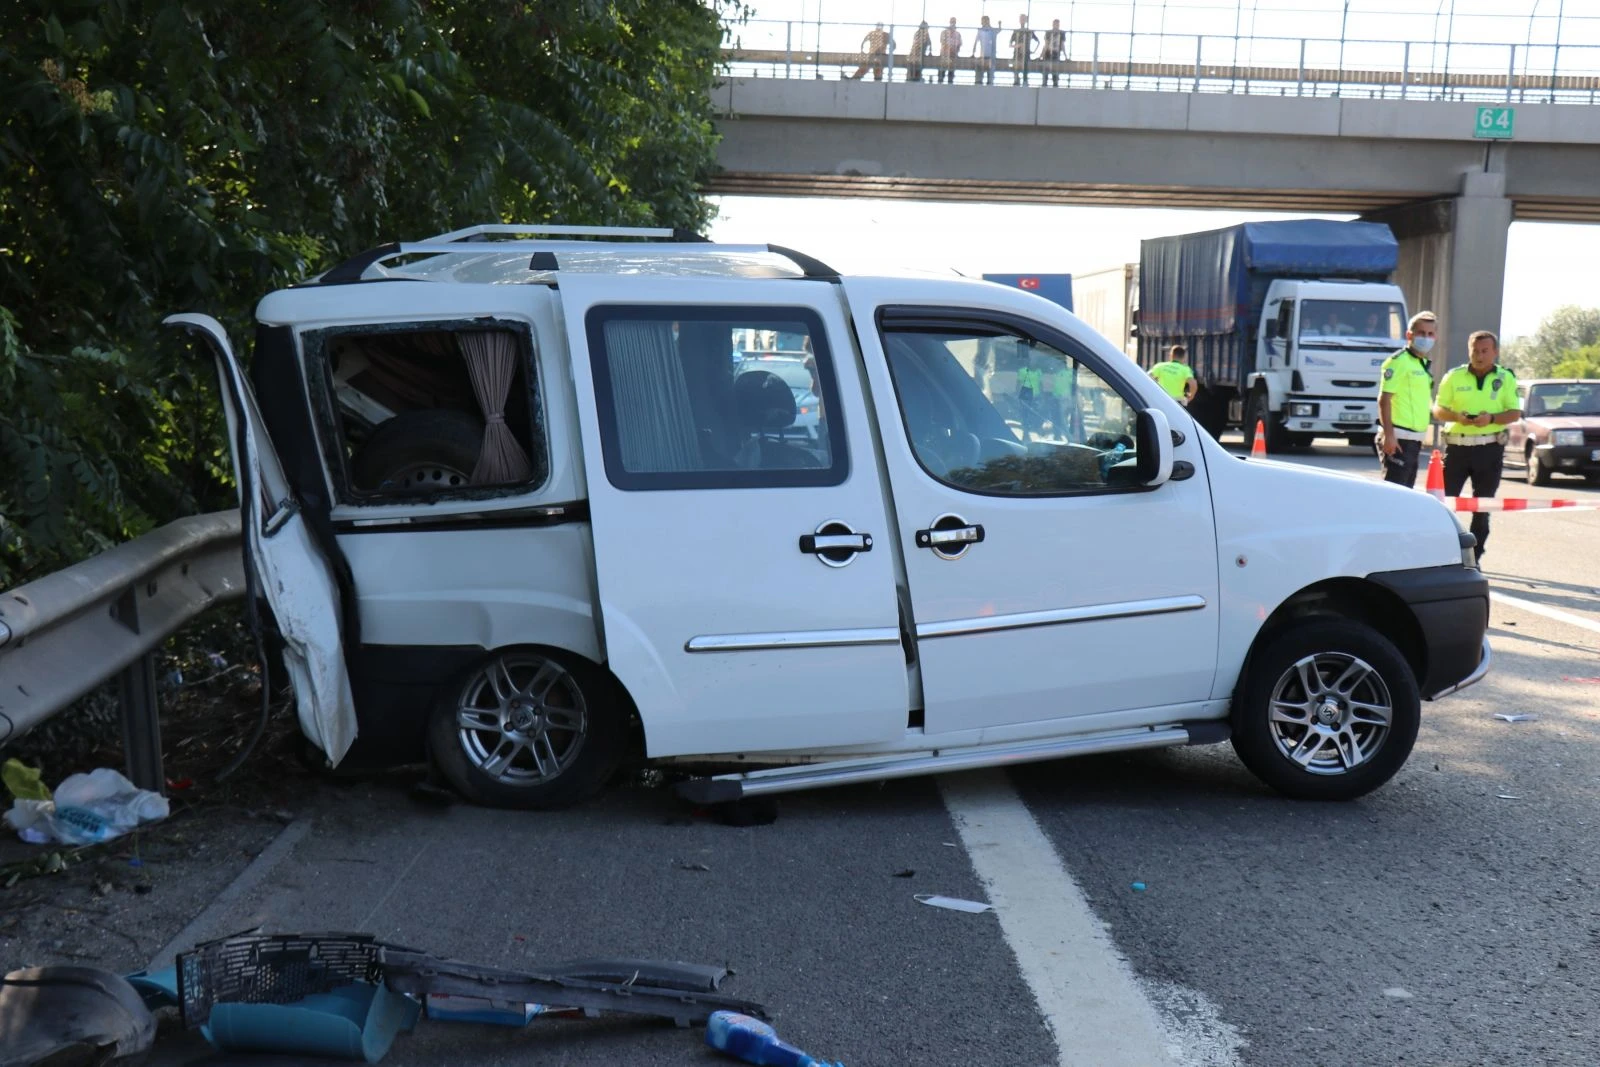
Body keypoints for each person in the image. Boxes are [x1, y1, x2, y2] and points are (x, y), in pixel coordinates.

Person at [1433, 330, 1519, 563]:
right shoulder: (1454, 376)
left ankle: (1474, 558)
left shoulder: (1505, 378)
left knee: (1482, 507)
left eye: (1485, 351)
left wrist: (1491, 419)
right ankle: (1443, 555)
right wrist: (1456, 416)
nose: (1479, 356)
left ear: (1495, 352)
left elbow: (1514, 413)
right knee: (1444, 504)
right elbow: (1438, 410)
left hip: (1489, 449)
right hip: (1457, 448)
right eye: (1475, 351)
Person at [1377, 310, 1438, 487]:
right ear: (1409, 335)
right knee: (1394, 494)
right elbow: (1384, 399)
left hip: (1413, 440)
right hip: (1398, 438)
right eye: (1421, 333)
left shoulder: (1422, 364)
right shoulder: (1398, 361)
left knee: (1406, 492)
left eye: (1430, 334)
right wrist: (1389, 436)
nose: (1426, 338)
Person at [1009, 15, 1038, 86]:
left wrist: (1033, 51)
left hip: (1026, 54)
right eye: (1021, 19)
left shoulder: (1029, 31)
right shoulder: (1016, 31)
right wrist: (1019, 45)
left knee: (1025, 68)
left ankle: (1025, 81)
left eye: (1023, 19)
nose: (1022, 20)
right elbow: (1010, 45)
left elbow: (1037, 42)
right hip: (1017, 54)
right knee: (1016, 70)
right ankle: (1016, 81)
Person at [972, 15, 998, 85]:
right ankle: (978, 82)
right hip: (982, 55)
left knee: (990, 73)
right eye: (983, 21)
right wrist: (973, 52)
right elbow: (976, 41)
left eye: (986, 20)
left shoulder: (992, 30)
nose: (984, 22)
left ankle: (990, 83)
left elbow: (998, 30)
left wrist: (999, 25)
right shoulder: (980, 31)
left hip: (991, 55)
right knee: (980, 70)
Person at [1041, 19, 1067, 87]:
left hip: (1056, 54)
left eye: (1057, 24)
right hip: (1047, 53)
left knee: (1055, 69)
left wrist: (1065, 56)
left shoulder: (1062, 33)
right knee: (1046, 69)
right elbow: (1046, 44)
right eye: (1055, 24)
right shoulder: (1048, 32)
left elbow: (1062, 45)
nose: (1056, 25)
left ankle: (1055, 83)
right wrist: (1042, 55)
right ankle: (1045, 83)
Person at [938, 18, 963, 83]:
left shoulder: (958, 34)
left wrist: (955, 51)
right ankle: (940, 82)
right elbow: (942, 42)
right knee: (942, 72)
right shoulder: (944, 32)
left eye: (954, 22)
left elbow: (959, 44)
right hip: (944, 55)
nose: (953, 23)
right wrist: (949, 49)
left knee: (951, 73)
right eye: (952, 22)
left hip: (953, 56)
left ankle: (950, 82)